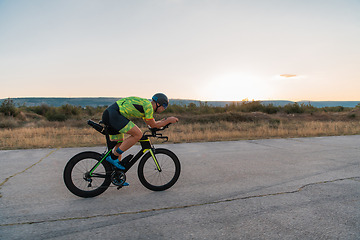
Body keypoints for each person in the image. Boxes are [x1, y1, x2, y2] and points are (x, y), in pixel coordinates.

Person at [102, 93, 178, 186]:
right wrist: (169, 120)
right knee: (138, 134)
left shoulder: (146, 106)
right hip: (114, 115)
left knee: (119, 143)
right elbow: (153, 125)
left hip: (111, 114)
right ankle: (113, 157)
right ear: (159, 103)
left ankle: (117, 175)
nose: (164, 109)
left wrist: (165, 121)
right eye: (165, 106)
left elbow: (151, 124)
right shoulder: (149, 106)